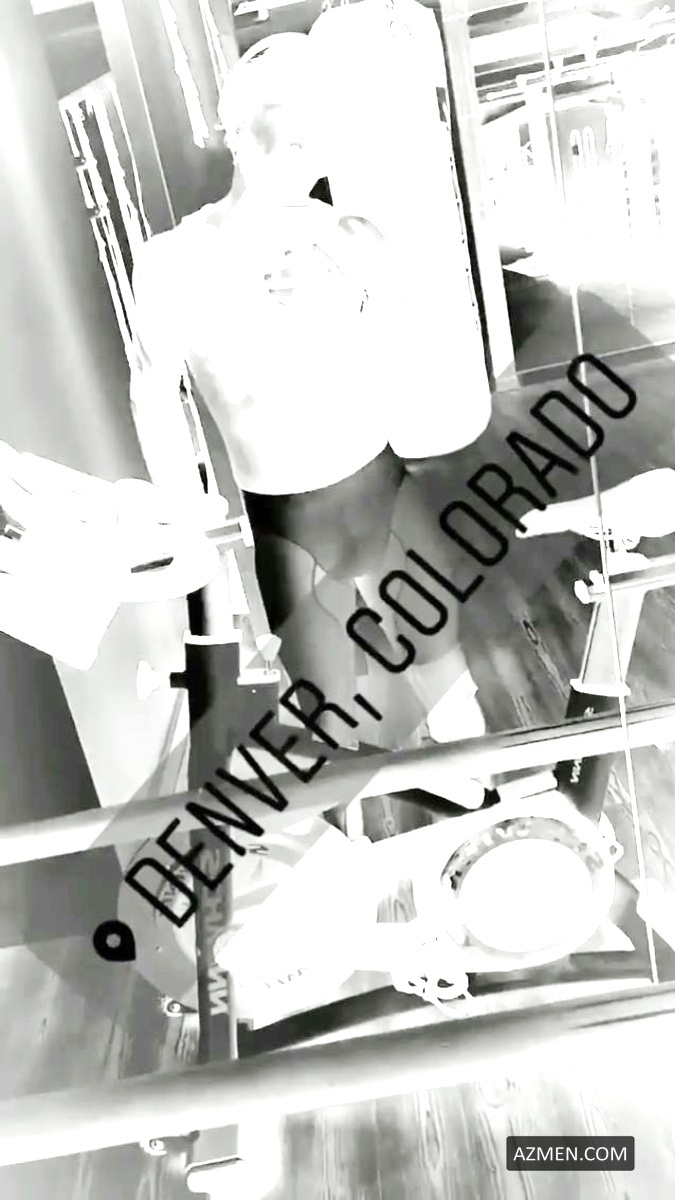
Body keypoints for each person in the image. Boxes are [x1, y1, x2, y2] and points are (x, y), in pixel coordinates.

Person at [130, 34, 487, 775]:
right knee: (331, 734)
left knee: (453, 692)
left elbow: (433, 359)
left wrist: (353, 297)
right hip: (285, 521)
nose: (312, 159)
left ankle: (493, 815)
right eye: (293, 135)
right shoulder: (172, 261)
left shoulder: (351, 237)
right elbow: (152, 389)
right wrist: (184, 518)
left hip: (382, 491)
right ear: (236, 132)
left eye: (322, 139)